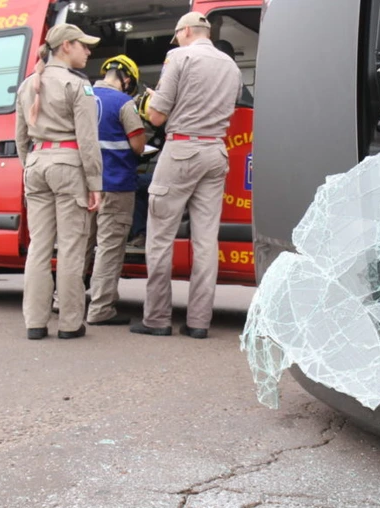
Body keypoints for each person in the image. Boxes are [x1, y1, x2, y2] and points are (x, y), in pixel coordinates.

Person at [130, 11, 242, 339]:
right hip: (215, 153)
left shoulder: (179, 57)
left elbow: (157, 115)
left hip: (181, 150)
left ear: (188, 30)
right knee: (206, 241)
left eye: (177, 34)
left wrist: (151, 100)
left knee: (160, 237)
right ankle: (198, 322)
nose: (176, 40)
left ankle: (157, 318)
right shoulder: (231, 66)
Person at [15, 24, 103, 341]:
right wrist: (96, 183)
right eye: (84, 45)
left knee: (38, 248)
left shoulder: (28, 85)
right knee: (70, 249)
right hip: (69, 166)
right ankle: (68, 324)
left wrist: (31, 166)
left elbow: (20, 138)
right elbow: (88, 141)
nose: (88, 51)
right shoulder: (78, 86)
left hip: (36, 165)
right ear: (66, 46)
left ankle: (35, 323)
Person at [86, 55, 146, 326]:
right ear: (127, 79)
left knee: (78, 246)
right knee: (109, 248)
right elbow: (137, 146)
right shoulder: (124, 103)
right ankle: (100, 309)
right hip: (116, 184)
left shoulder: (83, 96)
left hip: (84, 186)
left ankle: (63, 302)